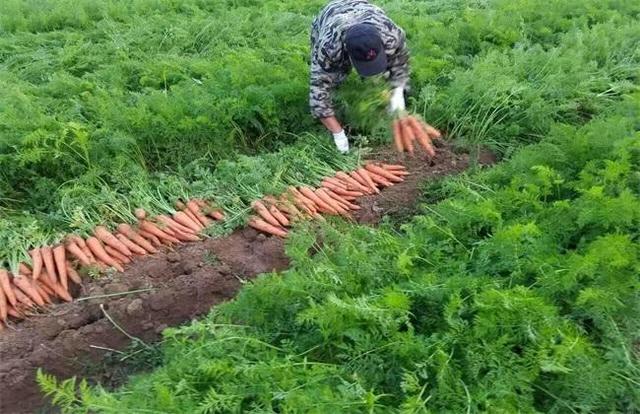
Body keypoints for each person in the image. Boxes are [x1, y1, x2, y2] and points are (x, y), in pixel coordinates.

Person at [310, 0, 409, 153]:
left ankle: (376, 82)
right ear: (349, 55)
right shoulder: (329, 48)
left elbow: (400, 60)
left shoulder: (391, 34)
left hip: (364, 8)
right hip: (330, 16)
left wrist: (398, 90)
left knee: (388, 71)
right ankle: (339, 110)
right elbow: (318, 95)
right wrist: (338, 133)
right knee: (335, 79)